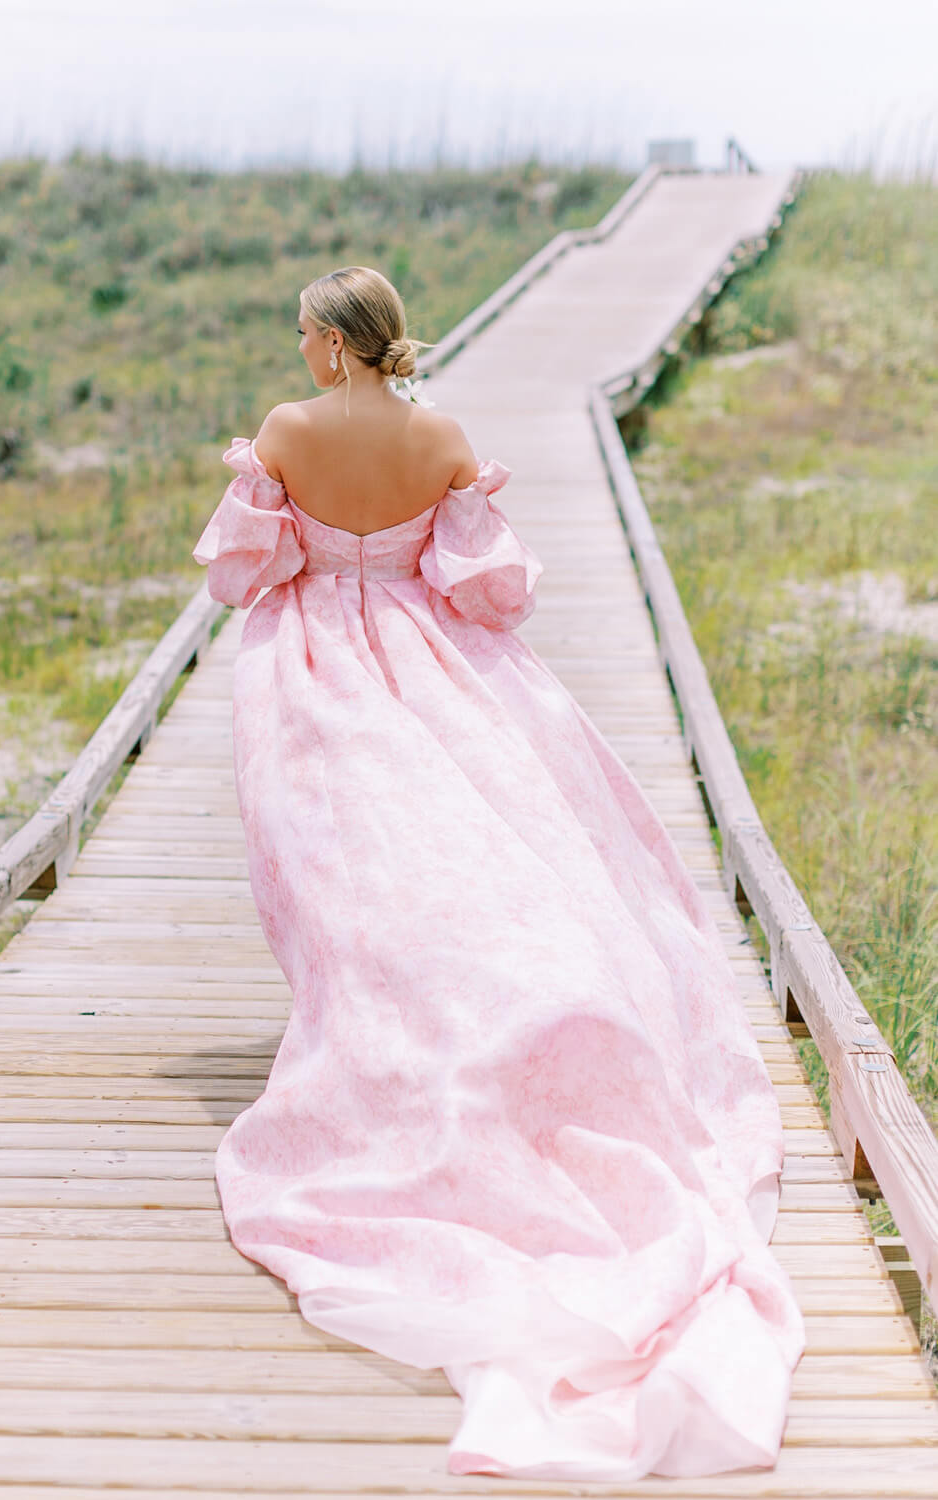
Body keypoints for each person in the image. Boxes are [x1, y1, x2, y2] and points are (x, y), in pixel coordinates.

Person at [191, 265, 806, 1481]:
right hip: (429, 660)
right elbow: (489, 592)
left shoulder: (287, 430)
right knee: (452, 849)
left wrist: (310, 538)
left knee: (341, 866)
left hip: (314, 663)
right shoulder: (443, 438)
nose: (301, 349)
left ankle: (372, 1028)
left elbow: (241, 574)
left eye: (305, 333)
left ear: (332, 342)